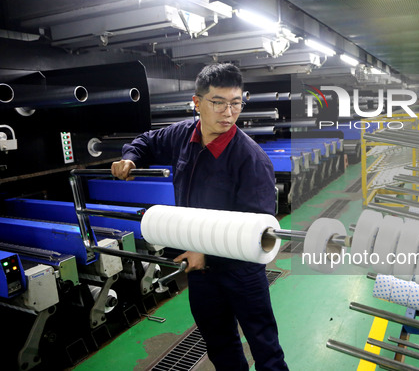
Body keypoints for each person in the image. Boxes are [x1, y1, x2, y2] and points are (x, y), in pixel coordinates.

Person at [111, 63, 288, 371]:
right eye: (218, 102)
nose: (228, 113)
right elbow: (147, 141)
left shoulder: (252, 159)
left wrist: (203, 250)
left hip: (241, 270)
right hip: (201, 272)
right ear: (197, 103)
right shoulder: (183, 136)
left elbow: (256, 227)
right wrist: (130, 157)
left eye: (235, 103)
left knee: (265, 346)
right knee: (219, 344)